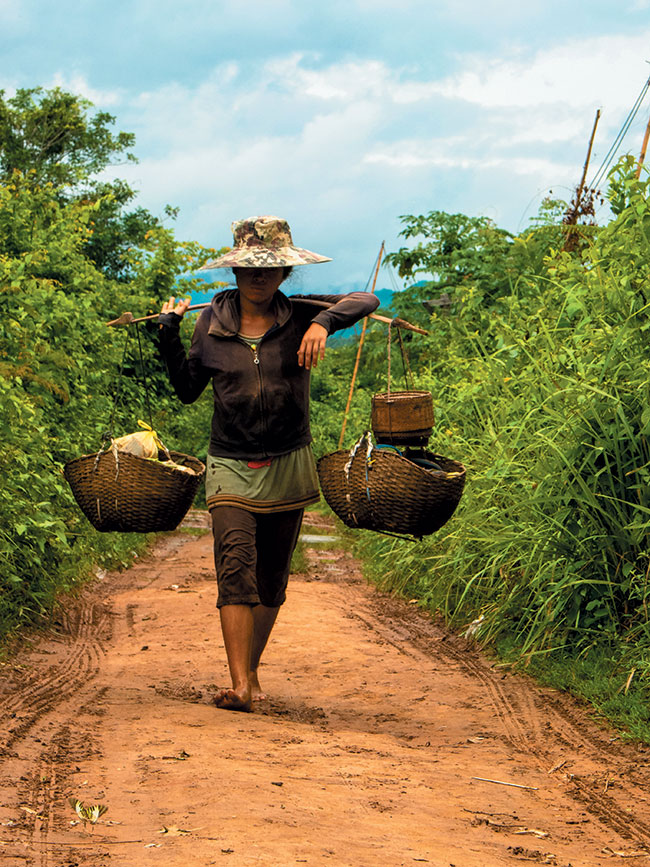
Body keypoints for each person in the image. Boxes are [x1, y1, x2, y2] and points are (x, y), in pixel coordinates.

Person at [158, 215, 379, 711]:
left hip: (288, 461)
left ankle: (251, 672)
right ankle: (239, 685)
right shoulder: (209, 326)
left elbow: (368, 300)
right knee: (235, 566)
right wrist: (167, 336)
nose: (259, 277)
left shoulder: (300, 314)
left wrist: (324, 322)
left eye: (271, 268)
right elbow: (186, 389)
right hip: (231, 462)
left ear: (284, 273)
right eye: (250, 269)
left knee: (271, 582)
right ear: (234, 273)